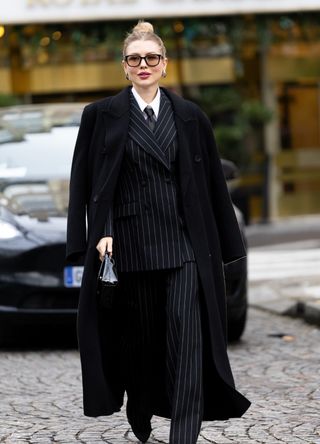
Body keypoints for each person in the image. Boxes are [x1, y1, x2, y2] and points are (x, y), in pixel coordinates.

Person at [66, 20, 250, 444]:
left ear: (165, 65)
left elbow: (211, 185)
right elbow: (90, 181)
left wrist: (224, 243)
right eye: (135, 58)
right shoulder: (101, 116)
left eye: (152, 58)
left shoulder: (189, 116)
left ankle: (183, 434)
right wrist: (101, 231)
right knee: (142, 342)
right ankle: (141, 404)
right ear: (124, 67)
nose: (144, 64)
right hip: (130, 246)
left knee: (187, 336)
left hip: (185, 246)